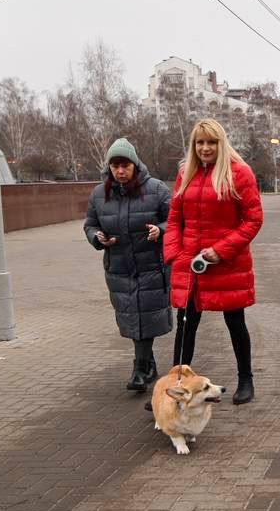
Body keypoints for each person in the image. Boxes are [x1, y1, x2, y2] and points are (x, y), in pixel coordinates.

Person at [162, 118, 264, 405]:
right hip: (191, 265)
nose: (205, 148)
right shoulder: (186, 173)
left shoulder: (239, 173)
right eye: (200, 142)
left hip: (227, 263)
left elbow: (254, 220)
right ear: (193, 145)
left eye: (211, 142)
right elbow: (174, 218)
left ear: (221, 143)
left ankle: (246, 380)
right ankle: (176, 385)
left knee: (235, 322)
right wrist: (175, 254)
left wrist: (220, 250)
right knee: (186, 325)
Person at [83, 138, 173, 393]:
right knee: (132, 317)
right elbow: (90, 224)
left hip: (151, 265)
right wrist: (97, 237)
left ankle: (139, 369)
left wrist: (160, 230)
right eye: (115, 166)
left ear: (135, 165)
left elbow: (176, 220)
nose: (120, 171)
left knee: (145, 315)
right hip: (119, 266)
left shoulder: (156, 189)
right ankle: (148, 364)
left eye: (124, 166)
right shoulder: (99, 194)